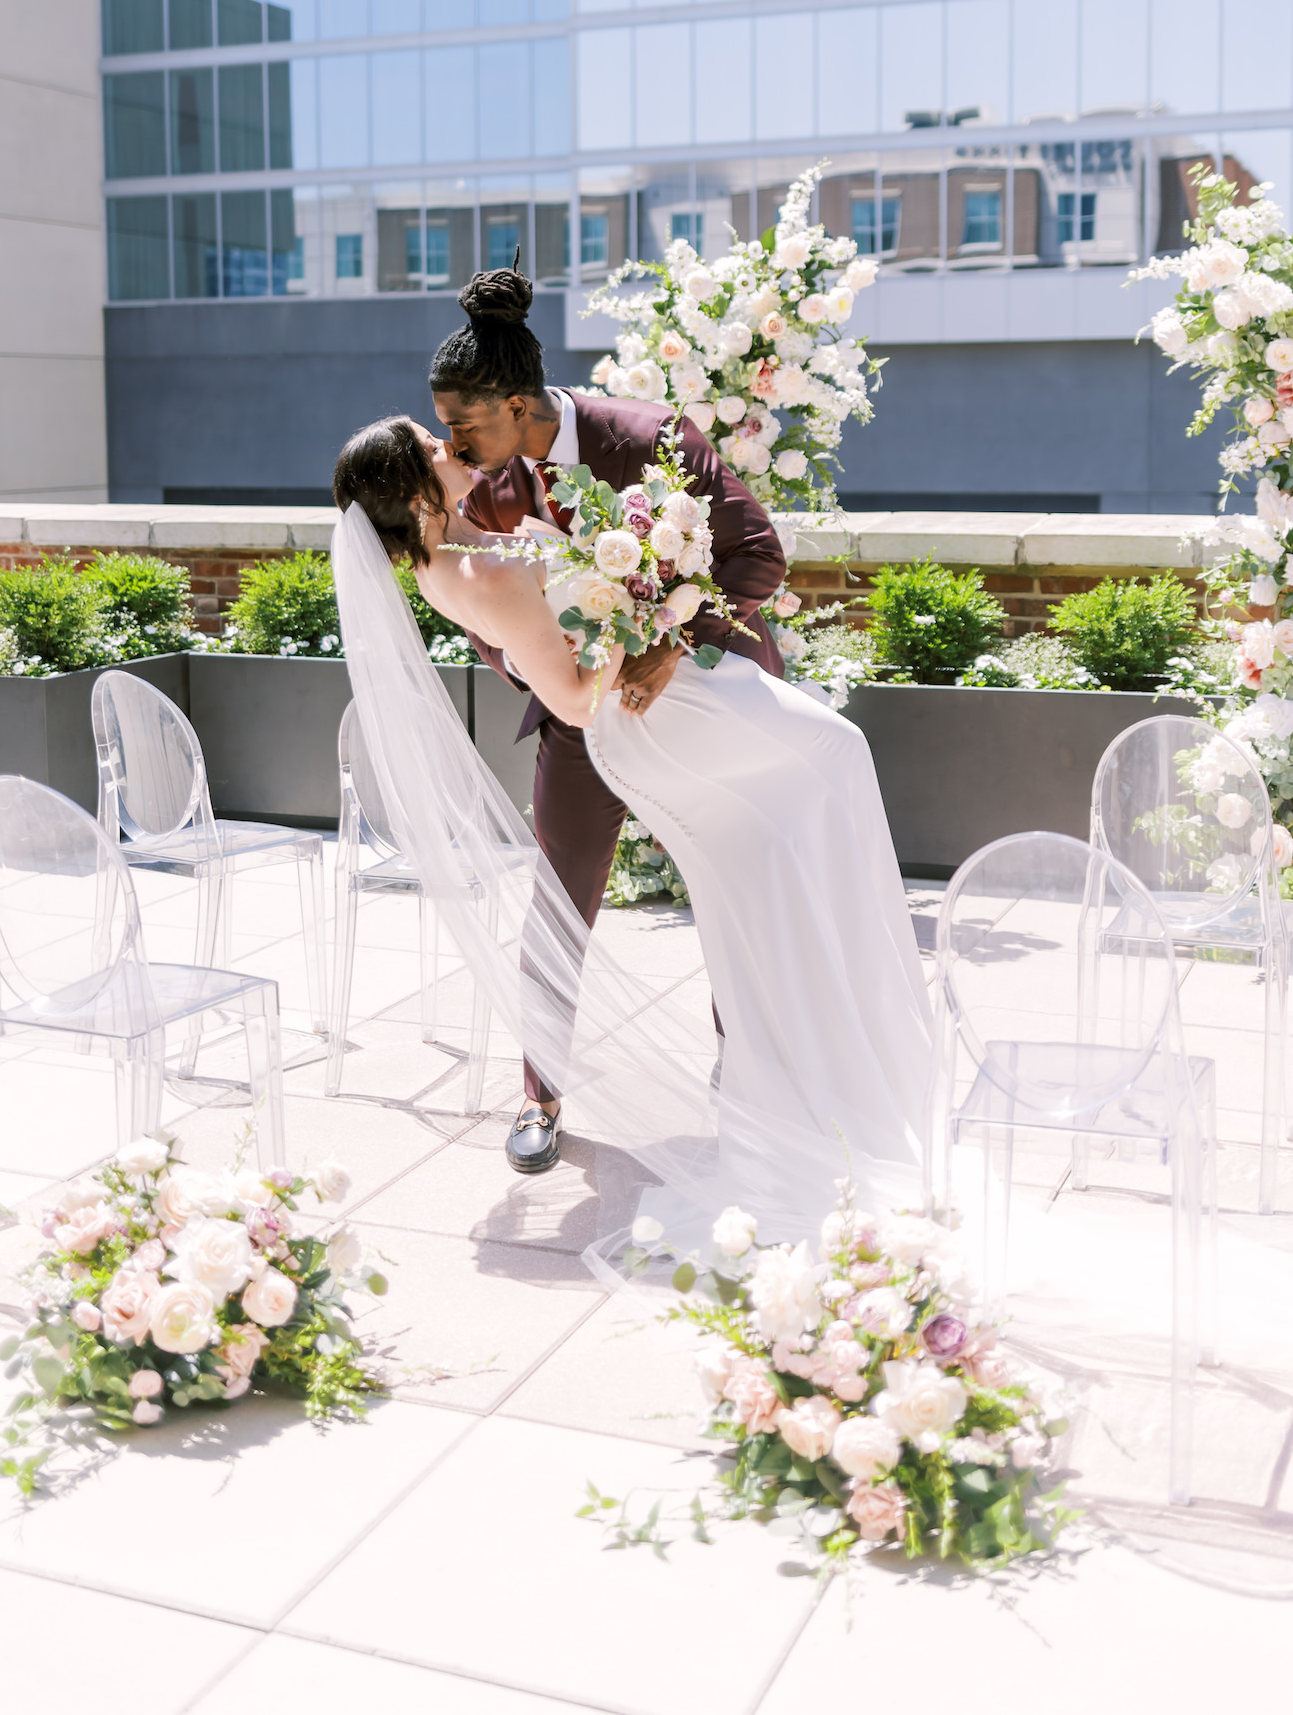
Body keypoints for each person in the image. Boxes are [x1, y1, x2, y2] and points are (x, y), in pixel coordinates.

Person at [329, 413, 932, 1255]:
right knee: (833, 756)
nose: (446, 444)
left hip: (663, 690)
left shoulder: (459, 548)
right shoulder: (478, 571)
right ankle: (800, 1047)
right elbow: (574, 697)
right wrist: (628, 614)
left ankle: (801, 1042)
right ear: (410, 492)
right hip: (644, 712)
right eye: (428, 447)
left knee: (799, 807)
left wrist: (641, 588)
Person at [427, 269, 787, 1176]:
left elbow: (757, 553)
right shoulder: (487, 491)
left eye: (464, 424)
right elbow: (487, 624)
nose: (452, 441)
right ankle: (539, 1094)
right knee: (560, 903)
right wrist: (544, 676)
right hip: (582, 723)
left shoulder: (652, 437)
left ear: (516, 404)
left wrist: (675, 641)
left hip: (701, 703)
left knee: (733, 890)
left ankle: (744, 1075)